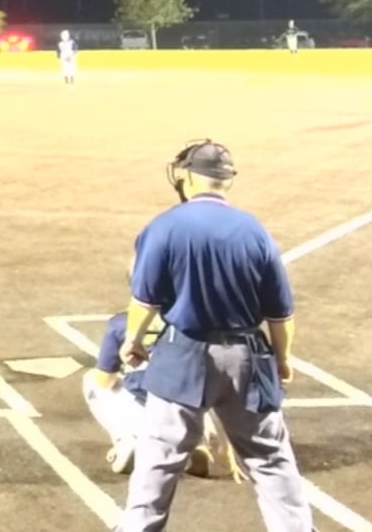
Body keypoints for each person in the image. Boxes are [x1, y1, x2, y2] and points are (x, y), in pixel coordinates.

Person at [117, 140, 309, 532]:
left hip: (183, 354)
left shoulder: (165, 226)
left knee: (158, 460)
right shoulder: (254, 231)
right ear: (227, 181)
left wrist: (132, 340)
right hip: (247, 357)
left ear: (187, 178)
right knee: (270, 460)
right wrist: (283, 359)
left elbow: (145, 299)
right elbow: (280, 314)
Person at [86, 265, 239, 481]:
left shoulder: (121, 323)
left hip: (147, 405)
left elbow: (104, 380)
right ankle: (198, 443)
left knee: (93, 381)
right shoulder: (197, 322)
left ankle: (127, 440)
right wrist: (226, 448)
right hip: (189, 407)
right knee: (200, 382)